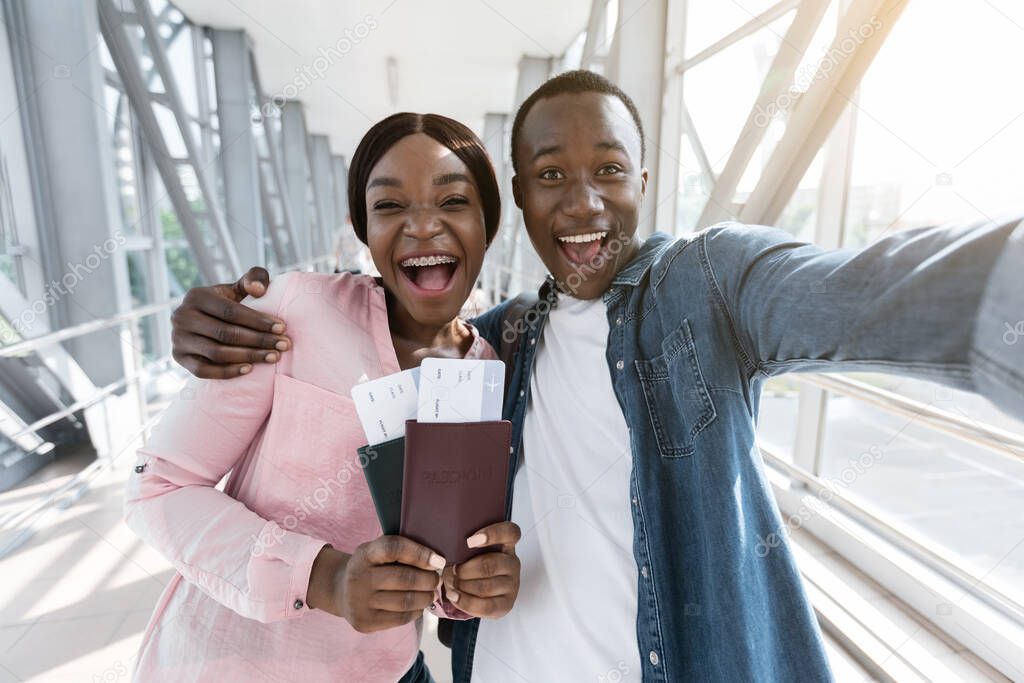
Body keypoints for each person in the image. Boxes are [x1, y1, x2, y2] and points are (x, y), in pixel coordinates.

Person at [168, 70, 1024, 682]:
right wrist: (213, 316)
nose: (581, 204)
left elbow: (857, 293)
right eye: (550, 177)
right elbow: (438, 543)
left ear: (644, 180)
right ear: (519, 197)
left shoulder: (706, 287)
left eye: (609, 171)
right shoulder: (495, 347)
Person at [125, 113, 522, 682]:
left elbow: (435, 561)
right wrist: (323, 578)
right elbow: (155, 486)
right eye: (389, 207)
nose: (423, 227)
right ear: (363, 230)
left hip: (388, 670)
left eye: (453, 201)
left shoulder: (485, 372)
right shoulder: (293, 313)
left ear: (489, 223)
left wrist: (467, 588)